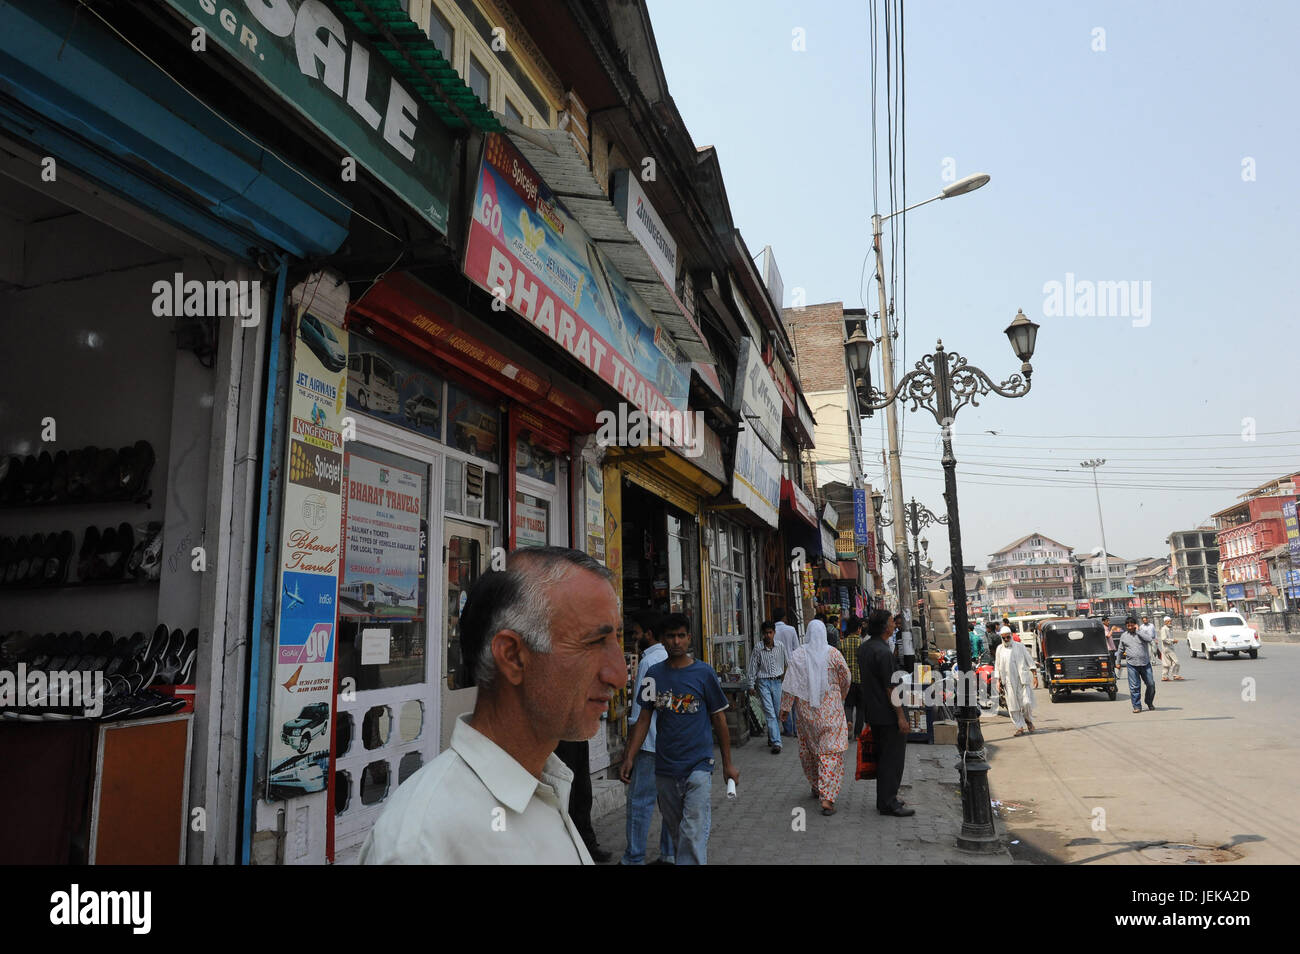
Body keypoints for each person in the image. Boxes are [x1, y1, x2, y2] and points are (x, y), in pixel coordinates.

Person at [361, 547, 622, 864]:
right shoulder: (423, 844)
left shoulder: (548, 785)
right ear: (512, 657)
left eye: (616, 641)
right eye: (594, 643)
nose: (618, 675)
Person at [620, 614, 737, 865]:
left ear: (689, 638)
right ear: (662, 640)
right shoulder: (653, 675)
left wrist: (728, 764)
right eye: (671, 636)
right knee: (676, 834)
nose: (676, 641)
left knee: (692, 833)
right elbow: (643, 719)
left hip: (698, 766)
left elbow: (720, 720)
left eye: (681, 636)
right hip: (665, 769)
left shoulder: (704, 673)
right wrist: (630, 756)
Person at [779, 619, 852, 816]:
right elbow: (846, 677)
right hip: (831, 711)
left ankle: (816, 784)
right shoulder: (834, 654)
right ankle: (827, 797)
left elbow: (790, 684)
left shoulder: (798, 655)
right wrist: (841, 695)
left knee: (810, 751)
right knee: (831, 752)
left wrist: (785, 708)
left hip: (806, 713)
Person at [621, 612, 675, 865]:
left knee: (640, 803)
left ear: (649, 634)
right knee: (669, 805)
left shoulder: (649, 663)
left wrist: (629, 751)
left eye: (637, 633)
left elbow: (639, 712)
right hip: (669, 745)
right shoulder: (671, 660)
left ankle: (634, 857)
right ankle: (669, 854)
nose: (635, 638)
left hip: (649, 744)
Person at [857, 609, 914, 817]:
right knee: (892, 760)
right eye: (891, 622)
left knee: (885, 758)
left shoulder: (865, 648)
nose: (894, 624)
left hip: (874, 711)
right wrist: (901, 717)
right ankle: (889, 802)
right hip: (888, 714)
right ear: (884, 627)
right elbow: (891, 688)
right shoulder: (883, 652)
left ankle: (886, 799)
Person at [747, 620, 787, 754]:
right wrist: (751, 684)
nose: (768, 635)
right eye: (766, 633)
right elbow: (752, 667)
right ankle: (777, 742)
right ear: (762, 634)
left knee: (776, 712)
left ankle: (772, 735)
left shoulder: (780, 646)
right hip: (763, 682)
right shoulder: (758, 648)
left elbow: (787, 663)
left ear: (774, 633)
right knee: (770, 713)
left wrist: (787, 681)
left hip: (777, 682)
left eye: (770, 633)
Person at [994, 625, 1038, 736]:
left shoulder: (1020, 646)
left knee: (1026, 703)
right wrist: (998, 681)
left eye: (1008, 637)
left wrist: (1035, 675)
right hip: (1008, 681)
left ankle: (1028, 720)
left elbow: (1029, 660)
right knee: (1013, 706)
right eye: (1003, 638)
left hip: (1021, 680)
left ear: (1011, 636)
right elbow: (997, 665)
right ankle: (1020, 727)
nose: (1006, 640)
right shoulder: (1000, 649)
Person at [1118, 615, 1158, 712]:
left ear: (1135, 625)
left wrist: (1138, 631)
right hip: (1132, 665)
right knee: (1134, 686)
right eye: (1128, 626)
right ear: (1126, 626)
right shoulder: (1124, 636)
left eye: (1132, 625)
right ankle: (1137, 706)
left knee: (1151, 684)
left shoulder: (1141, 634)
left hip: (1145, 664)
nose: (1130, 627)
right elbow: (1120, 650)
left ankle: (1149, 702)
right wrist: (1118, 662)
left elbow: (1149, 640)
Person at [773, 608, 800, 736]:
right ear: (784, 618)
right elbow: (797, 649)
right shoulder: (791, 630)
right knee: (793, 698)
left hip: (776, 668)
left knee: (782, 699)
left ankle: (788, 728)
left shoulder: (772, 631)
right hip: (791, 667)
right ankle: (796, 729)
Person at [840, 616, 864, 739]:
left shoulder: (843, 643)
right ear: (859, 629)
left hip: (848, 680)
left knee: (848, 704)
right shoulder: (862, 643)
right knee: (861, 707)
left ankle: (849, 720)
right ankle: (858, 733)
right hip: (860, 679)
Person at [1159, 615, 1183, 681]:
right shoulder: (1164, 629)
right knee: (1176, 662)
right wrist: (1173, 640)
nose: (1170, 622)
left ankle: (1165, 676)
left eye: (1170, 621)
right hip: (1167, 648)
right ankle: (1175, 675)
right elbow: (1163, 639)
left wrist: (1173, 641)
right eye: (1168, 621)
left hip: (1168, 647)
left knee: (1166, 663)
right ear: (1165, 622)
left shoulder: (1169, 628)